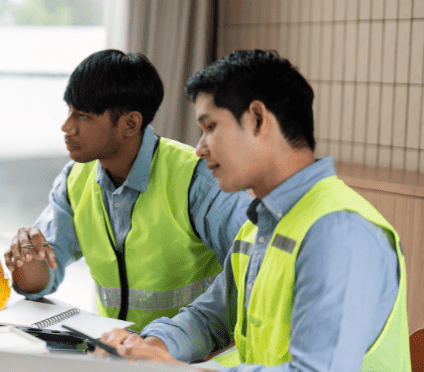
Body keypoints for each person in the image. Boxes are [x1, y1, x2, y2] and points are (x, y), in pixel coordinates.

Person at [98, 50, 411, 371]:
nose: (200, 148)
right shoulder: (261, 223)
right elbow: (210, 317)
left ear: (258, 119)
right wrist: (148, 347)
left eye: (210, 127)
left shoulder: (338, 232)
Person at [4, 49, 252, 331]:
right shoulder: (74, 180)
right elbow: (38, 281)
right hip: (114, 353)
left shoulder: (199, 179)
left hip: (190, 357)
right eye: (69, 110)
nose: (67, 126)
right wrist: (27, 261)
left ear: (130, 124)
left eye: (83, 115)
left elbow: (251, 277)